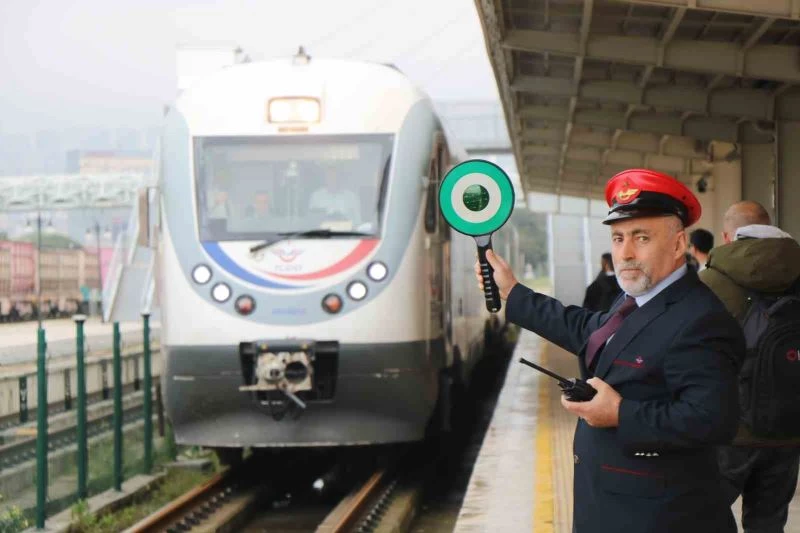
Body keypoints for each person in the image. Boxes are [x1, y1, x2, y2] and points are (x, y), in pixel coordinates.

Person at [475, 169, 744, 533]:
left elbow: (712, 419)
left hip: (660, 518)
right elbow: (589, 330)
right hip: (616, 506)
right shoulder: (638, 299)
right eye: (618, 239)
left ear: (679, 244)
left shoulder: (700, 318)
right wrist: (514, 293)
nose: (626, 253)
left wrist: (619, 413)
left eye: (641, 237)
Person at [699, 200, 800, 533]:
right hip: (787, 428)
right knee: (769, 524)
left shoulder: (707, 282)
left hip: (728, 430)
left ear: (729, 237)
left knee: (703, 517)